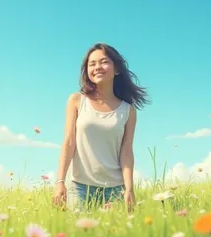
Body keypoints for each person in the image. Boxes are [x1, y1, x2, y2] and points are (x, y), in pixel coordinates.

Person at [53, 43, 149, 212]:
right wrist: (59, 181)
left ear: (117, 70)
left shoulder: (128, 110)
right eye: (92, 64)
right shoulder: (76, 101)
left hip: (115, 190)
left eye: (103, 62)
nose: (97, 67)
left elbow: (126, 151)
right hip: (81, 188)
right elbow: (68, 143)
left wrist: (129, 189)